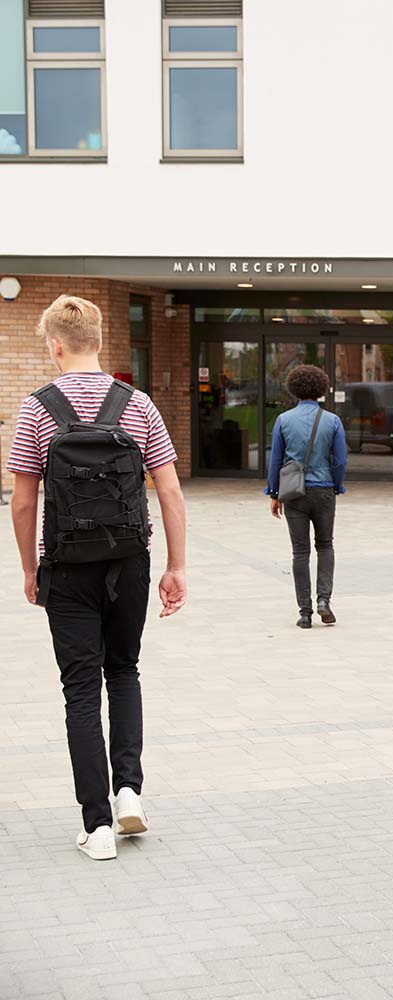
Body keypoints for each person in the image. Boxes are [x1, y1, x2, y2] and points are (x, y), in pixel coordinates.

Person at [8, 295, 187, 861]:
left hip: (65, 566)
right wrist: (175, 567)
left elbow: (21, 502)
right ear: (101, 341)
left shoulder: (36, 409)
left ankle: (97, 826)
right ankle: (129, 791)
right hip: (129, 562)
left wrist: (29, 568)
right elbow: (171, 493)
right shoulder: (137, 405)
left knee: (80, 689)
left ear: (54, 345)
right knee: (124, 669)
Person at [266, 364, 347, 629]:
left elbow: (276, 459)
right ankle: (324, 600)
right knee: (325, 545)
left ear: (294, 388)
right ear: (320, 388)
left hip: (294, 492)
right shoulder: (332, 421)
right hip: (323, 489)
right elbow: (340, 460)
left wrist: (274, 493)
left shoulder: (283, 420)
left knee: (299, 551)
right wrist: (336, 485)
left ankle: (305, 612)